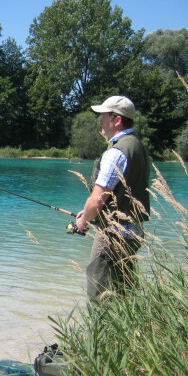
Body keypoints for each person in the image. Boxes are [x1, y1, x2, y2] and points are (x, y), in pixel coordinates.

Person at [75, 96, 150, 299]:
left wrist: (83, 221)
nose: (99, 121)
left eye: (103, 116)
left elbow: (98, 198)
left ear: (116, 120)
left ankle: (102, 331)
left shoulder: (116, 151)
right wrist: (89, 214)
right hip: (133, 232)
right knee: (123, 294)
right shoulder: (137, 146)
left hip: (114, 234)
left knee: (99, 294)